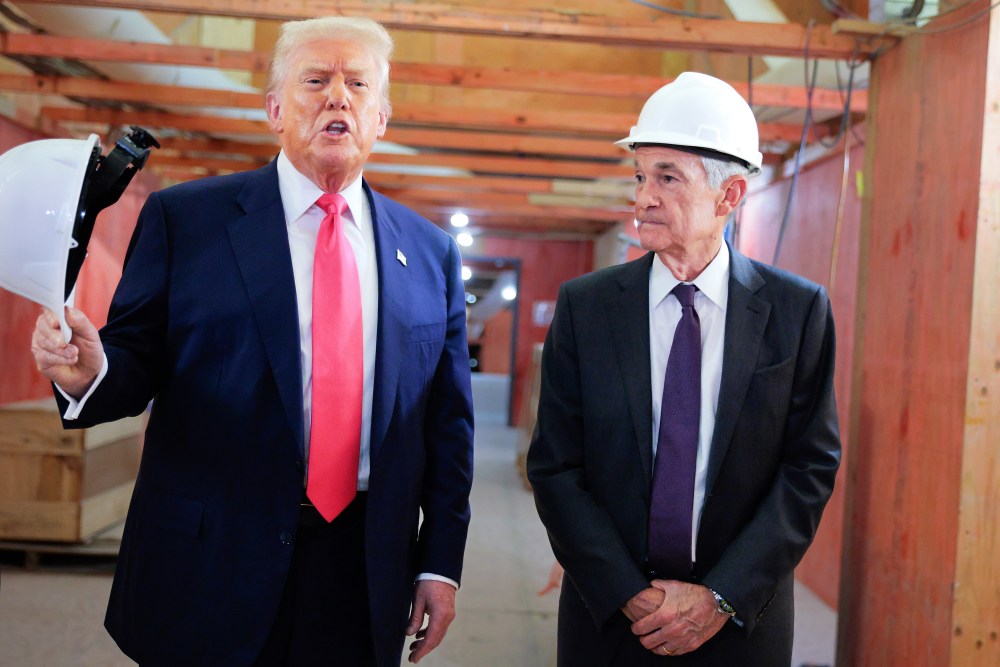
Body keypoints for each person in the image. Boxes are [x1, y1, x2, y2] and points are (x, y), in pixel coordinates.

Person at [29, 16, 474, 667]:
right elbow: (132, 360)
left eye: (357, 84)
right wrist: (87, 371)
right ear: (274, 109)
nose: (337, 98)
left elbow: (447, 426)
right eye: (315, 80)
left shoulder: (430, 253)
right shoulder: (189, 219)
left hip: (362, 565)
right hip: (211, 557)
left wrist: (440, 562)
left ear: (381, 117)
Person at [526, 71, 841, 666]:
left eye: (668, 178)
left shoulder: (797, 312)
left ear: (730, 196)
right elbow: (555, 465)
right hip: (610, 614)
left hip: (741, 619)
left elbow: (809, 467)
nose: (643, 196)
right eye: (640, 175)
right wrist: (627, 592)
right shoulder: (586, 307)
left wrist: (721, 596)